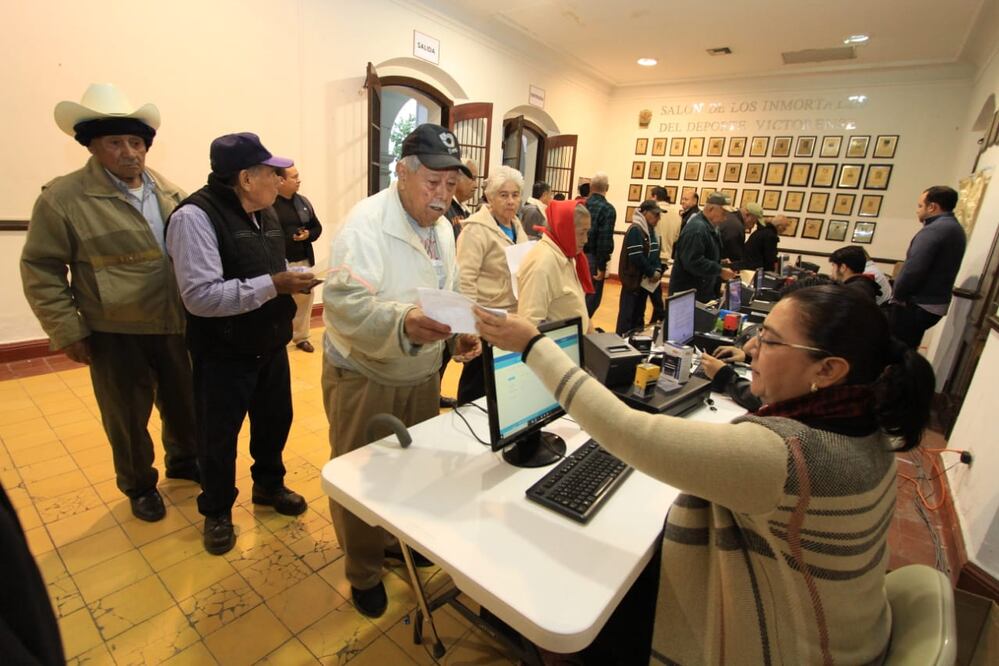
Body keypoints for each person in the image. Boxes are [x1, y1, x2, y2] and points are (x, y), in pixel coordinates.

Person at [476, 284, 935, 664]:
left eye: (771, 341)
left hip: (783, 648)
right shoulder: (865, 427)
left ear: (829, 370)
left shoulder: (787, 454)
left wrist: (533, 345)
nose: (752, 347)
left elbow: (628, 432)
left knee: (574, 608)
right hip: (844, 637)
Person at [20, 83, 198, 523]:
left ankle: (184, 461)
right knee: (126, 418)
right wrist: (68, 330)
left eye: (136, 142)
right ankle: (139, 484)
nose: (129, 152)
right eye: (115, 142)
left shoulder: (171, 193)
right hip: (114, 332)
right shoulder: (63, 200)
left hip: (176, 323)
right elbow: (41, 270)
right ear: (93, 146)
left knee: (184, 402)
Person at [322, 124, 480, 618]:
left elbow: (446, 291)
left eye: (451, 185)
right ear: (402, 172)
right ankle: (363, 571)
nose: (442, 196)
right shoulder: (365, 224)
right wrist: (405, 321)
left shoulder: (443, 228)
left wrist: (459, 331)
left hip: (420, 372)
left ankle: (391, 540)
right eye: (432, 183)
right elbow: (343, 305)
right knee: (361, 475)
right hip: (366, 373)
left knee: (408, 467)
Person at [166, 133, 315, 555]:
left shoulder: (266, 213)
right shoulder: (195, 218)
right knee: (218, 437)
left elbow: (267, 267)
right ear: (247, 178)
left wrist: (291, 278)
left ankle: (269, 486)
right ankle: (216, 511)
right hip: (223, 352)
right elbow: (201, 296)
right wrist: (275, 284)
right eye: (274, 173)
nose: (282, 180)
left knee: (274, 422)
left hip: (269, 344)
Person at [455, 165, 528, 403]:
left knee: (503, 385)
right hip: (485, 321)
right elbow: (465, 280)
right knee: (477, 387)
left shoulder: (517, 226)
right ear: (490, 197)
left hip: (511, 318)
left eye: (515, 195)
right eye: (503, 195)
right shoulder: (476, 229)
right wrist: (470, 327)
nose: (510, 201)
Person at [891, 185, 967, 349]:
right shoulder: (953, 228)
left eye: (920, 206)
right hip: (933, 303)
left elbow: (913, 269)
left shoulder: (935, 230)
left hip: (919, 304)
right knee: (907, 347)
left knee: (898, 349)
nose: (917, 210)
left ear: (932, 207)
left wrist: (897, 296)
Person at [517, 200, 594, 332]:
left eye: (587, 232)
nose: (586, 239)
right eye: (582, 233)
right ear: (564, 229)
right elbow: (529, 324)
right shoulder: (542, 264)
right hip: (557, 347)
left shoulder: (567, 254)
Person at [274, 164, 323, 353]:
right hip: (280, 263)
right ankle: (281, 339)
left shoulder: (303, 202)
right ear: (281, 180)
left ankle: (301, 337)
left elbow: (317, 228)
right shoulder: (269, 204)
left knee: (305, 298)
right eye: (294, 177)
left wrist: (307, 234)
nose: (298, 180)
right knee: (282, 302)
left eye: (298, 176)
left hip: (303, 260)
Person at [669, 192, 736, 302]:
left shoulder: (710, 227)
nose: (725, 218)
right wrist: (719, 270)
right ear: (710, 209)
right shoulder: (697, 229)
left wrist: (719, 262)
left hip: (701, 292)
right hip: (688, 295)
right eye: (723, 213)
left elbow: (703, 254)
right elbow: (693, 262)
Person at [616, 200, 663, 334]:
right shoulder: (636, 229)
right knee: (627, 318)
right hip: (633, 282)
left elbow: (655, 253)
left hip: (643, 283)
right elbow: (636, 257)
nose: (658, 218)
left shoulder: (651, 230)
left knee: (638, 317)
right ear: (645, 213)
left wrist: (658, 269)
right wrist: (651, 272)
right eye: (655, 215)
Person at [582, 172, 615, 316]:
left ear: (590, 186)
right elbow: (604, 239)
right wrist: (602, 267)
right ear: (607, 188)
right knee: (592, 299)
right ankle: (583, 328)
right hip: (593, 259)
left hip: (576, 256)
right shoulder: (607, 209)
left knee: (577, 295)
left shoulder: (582, 204)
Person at [444, 158, 478, 239]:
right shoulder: (444, 207)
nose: (476, 185)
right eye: (472, 179)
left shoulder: (465, 210)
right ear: (457, 177)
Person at [739, 209, 780, 273]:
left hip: (748, 266)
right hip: (754, 269)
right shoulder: (770, 235)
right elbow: (769, 258)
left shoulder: (759, 232)